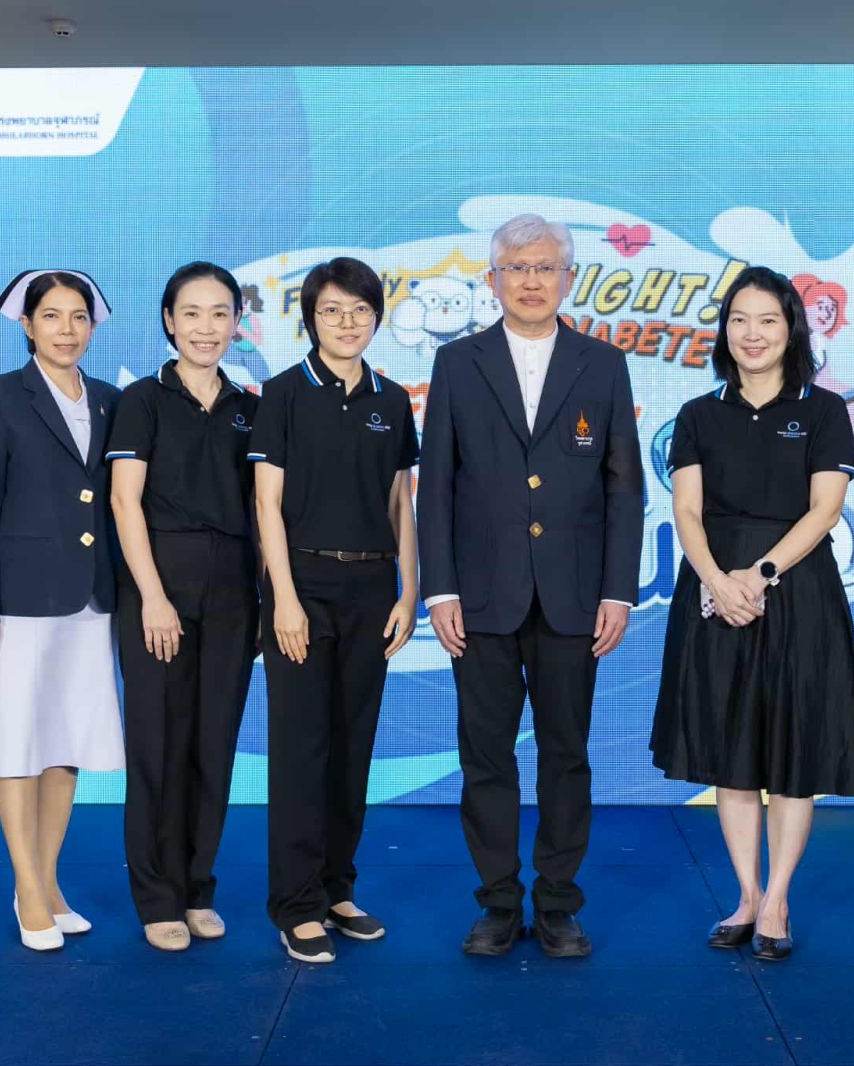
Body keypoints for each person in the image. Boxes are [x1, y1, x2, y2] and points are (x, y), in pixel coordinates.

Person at [418, 213, 644, 958]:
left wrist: (618, 591)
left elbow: (623, 487)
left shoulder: (602, 365)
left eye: (546, 267)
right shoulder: (458, 363)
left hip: (574, 597)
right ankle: (496, 902)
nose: (531, 280)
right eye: (517, 268)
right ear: (493, 280)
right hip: (479, 598)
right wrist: (439, 589)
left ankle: (557, 904)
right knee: (486, 758)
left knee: (565, 755)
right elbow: (436, 485)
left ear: (569, 279)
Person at [651, 267, 854, 962]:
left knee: (792, 752)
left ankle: (778, 898)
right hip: (715, 594)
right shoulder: (698, 415)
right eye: (740, 319)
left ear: (791, 330)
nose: (752, 334)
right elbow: (687, 511)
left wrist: (760, 575)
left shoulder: (822, 410)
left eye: (768, 320)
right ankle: (746, 895)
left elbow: (826, 509)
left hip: (796, 592)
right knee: (733, 753)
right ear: (725, 330)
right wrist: (717, 581)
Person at [0, 269, 125, 952]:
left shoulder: (109, 400)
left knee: (66, 740)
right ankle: (26, 888)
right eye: (51, 316)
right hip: (19, 602)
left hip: (91, 599)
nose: (66, 330)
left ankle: (48, 883)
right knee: (18, 740)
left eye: (78, 317)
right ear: (27, 325)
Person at [251, 257, 419, 964]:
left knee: (353, 745)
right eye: (331, 311)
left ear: (376, 317)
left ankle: (336, 889)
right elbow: (266, 503)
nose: (346, 323)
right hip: (303, 587)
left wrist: (408, 590)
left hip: (372, 589)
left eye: (359, 311)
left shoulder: (393, 400)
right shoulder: (284, 394)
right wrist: (284, 599)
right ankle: (295, 905)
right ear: (310, 319)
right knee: (301, 748)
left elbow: (400, 501)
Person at [106, 262, 260, 952]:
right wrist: (152, 597)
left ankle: (198, 888)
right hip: (158, 587)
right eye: (191, 313)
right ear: (169, 321)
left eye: (220, 313)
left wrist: (264, 597)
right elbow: (124, 501)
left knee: (213, 744)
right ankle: (157, 897)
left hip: (233, 591)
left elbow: (264, 511)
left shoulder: (251, 408)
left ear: (237, 322)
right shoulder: (141, 400)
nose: (206, 327)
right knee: (157, 746)